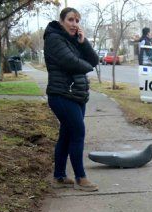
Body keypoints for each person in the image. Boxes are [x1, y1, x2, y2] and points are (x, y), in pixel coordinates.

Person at [43, 7, 100, 191]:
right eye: (70, 20)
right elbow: (71, 63)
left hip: (76, 95)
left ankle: (59, 177)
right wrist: (87, 66)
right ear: (61, 21)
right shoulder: (54, 39)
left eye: (77, 20)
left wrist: (83, 43)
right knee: (78, 133)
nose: (74, 24)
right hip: (61, 95)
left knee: (67, 135)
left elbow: (94, 59)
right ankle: (80, 178)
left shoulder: (75, 41)